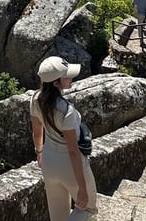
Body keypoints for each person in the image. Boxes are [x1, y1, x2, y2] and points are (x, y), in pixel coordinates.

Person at [30, 56, 97, 221]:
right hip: (68, 164)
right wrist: (82, 187)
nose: (71, 78)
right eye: (66, 76)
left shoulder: (35, 99)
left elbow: (37, 132)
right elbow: (73, 151)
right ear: (55, 83)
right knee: (87, 208)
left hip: (48, 160)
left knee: (58, 216)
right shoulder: (66, 110)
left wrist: (39, 152)